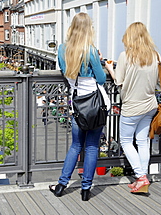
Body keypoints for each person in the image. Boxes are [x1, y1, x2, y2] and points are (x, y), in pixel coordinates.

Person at [49, 12, 107, 201]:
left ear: (72, 28)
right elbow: (101, 79)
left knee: (75, 146)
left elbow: (66, 73)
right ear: (89, 29)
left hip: (77, 103)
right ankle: (85, 190)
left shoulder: (62, 49)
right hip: (95, 104)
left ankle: (61, 185)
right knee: (91, 147)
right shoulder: (90, 50)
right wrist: (99, 60)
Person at [105, 22, 159, 194]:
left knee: (127, 141)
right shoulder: (155, 55)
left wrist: (109, 68)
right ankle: (141, 179)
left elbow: (119, 81)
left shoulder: (125, 56)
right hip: (150, 105)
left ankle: (141, 176)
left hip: (132, 107)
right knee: (143, 141)